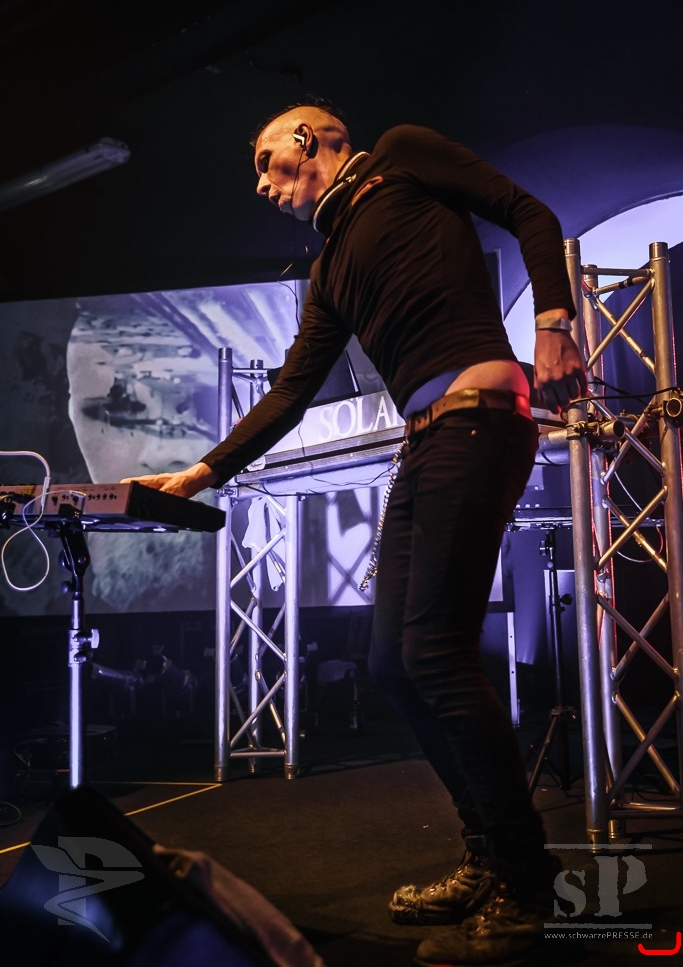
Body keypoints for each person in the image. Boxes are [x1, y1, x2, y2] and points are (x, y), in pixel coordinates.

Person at [123, 99, 587, 966]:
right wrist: (200, 472)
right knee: (393, 663)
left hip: (479, 418)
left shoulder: (401, 157)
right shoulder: (330, 263)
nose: (261, 185)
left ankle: (529, 889)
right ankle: (487, 857)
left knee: (436, 655)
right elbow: (291, 389)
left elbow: (528, 211)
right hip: (429, 438)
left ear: (311, 140)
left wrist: (553, 325)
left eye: (266, 161)